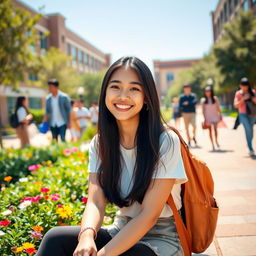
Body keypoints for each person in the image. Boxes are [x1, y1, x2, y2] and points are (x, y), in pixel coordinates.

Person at [36, 57, 187, 256]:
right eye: (115, 87)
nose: (123, 96)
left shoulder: (164, 141)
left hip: (161, 237)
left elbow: (149, 215)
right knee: (55, 239)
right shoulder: (101, 143)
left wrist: (102, 254)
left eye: (134, 89)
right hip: (121, 228)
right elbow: (96, 201)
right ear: (105, 93)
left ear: (147, 97)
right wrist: (87, 235)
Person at [234, 77, 256, 156]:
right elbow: (236, 105)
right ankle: (250, 148)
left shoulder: (252, 92)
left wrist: (251, 96)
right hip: (242, 114)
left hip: (252, 114)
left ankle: (249, 143)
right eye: (243, 85)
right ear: (240, 85)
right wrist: (243, 99)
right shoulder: (238, 93)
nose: (245, 87)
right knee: (248, 129)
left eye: (246, 85)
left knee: (251, 130)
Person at [201, 86, 222, 151]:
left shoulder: (215, 98)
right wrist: (204, 118)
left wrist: (220, 114)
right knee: (210, 131)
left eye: (209, 91)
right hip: (208, 117)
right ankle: (212, 144)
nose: (208, 92)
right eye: (206, 91)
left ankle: (216, 141)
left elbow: (218, 107)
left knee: (215, 130)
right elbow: (203, 110)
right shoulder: (203, 100)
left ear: (211, 91)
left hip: (215, 116)